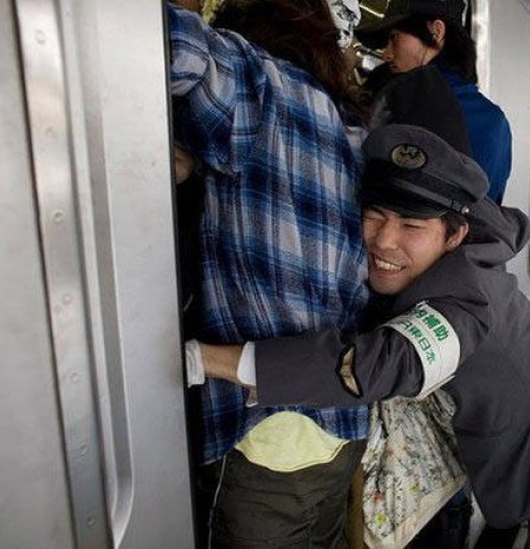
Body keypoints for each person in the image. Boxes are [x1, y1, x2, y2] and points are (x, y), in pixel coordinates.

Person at [191, 122, 530, 549]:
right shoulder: (468, 240)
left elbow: (374, 366)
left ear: (454, 234)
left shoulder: (461, 306)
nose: (384, 242)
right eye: (374, 216)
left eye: (412, 227)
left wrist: (204, 360)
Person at [167, 1, 372, 547]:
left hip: (266, 435)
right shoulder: (351, 130)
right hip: (342, 427)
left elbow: (154, 41)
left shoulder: (254, 83)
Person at [356, 0, 512, 204]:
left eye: (394, 38)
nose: (386, 54)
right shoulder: (494, 121)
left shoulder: (396, 106)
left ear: (436, 31)